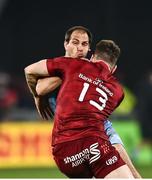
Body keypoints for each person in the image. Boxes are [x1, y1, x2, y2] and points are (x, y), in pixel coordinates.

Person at [35, 26, 141, 178]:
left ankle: (135, 176)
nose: (80, 48)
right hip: (73, 134)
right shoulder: (62, 67)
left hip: (83, 132)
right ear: (66, 44)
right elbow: (39, 87)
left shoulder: (85, 67)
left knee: (110, 140)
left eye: (84, 45)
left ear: (90, 53)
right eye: (76, 43)